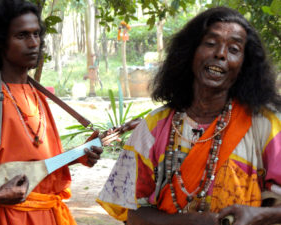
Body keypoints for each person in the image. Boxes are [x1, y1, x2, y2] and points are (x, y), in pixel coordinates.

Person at [97, 6, 281, 225]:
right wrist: (183, 222)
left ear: (244, 64)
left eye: (233, 49)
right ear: (190, 51)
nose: (220, 53)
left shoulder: (264, 125)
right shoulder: (155, 127)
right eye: (211, 43)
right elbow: (128, 211)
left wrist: (260, 215)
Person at [0, 0, 103, 224]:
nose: (33, 43)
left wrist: (78, 157)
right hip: (3, 217)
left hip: (50, 215)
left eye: (37, 34)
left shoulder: (37, 95)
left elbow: (38, 164)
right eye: (22, 36)